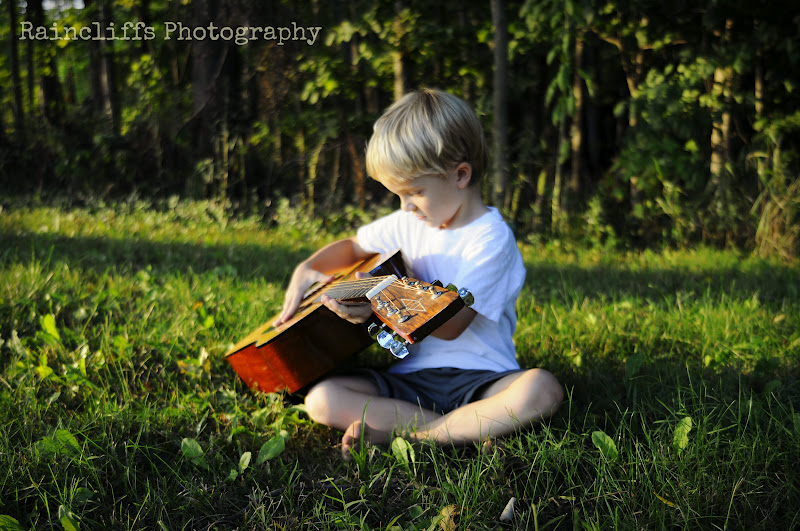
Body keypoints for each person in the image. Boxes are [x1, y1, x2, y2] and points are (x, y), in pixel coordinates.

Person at [275, 88, 563, 459]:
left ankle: (416, 435)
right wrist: (308, 269)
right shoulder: (408, 222)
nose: (406, 206)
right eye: (397, 195)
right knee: (322, 398)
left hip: (483, 379)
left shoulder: (491, 238)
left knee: (542, 388)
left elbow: (453, 323)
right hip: (410, 381)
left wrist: (379, 304)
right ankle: (470, 429)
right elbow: (352, 247)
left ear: (460, 175)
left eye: (414, 191)